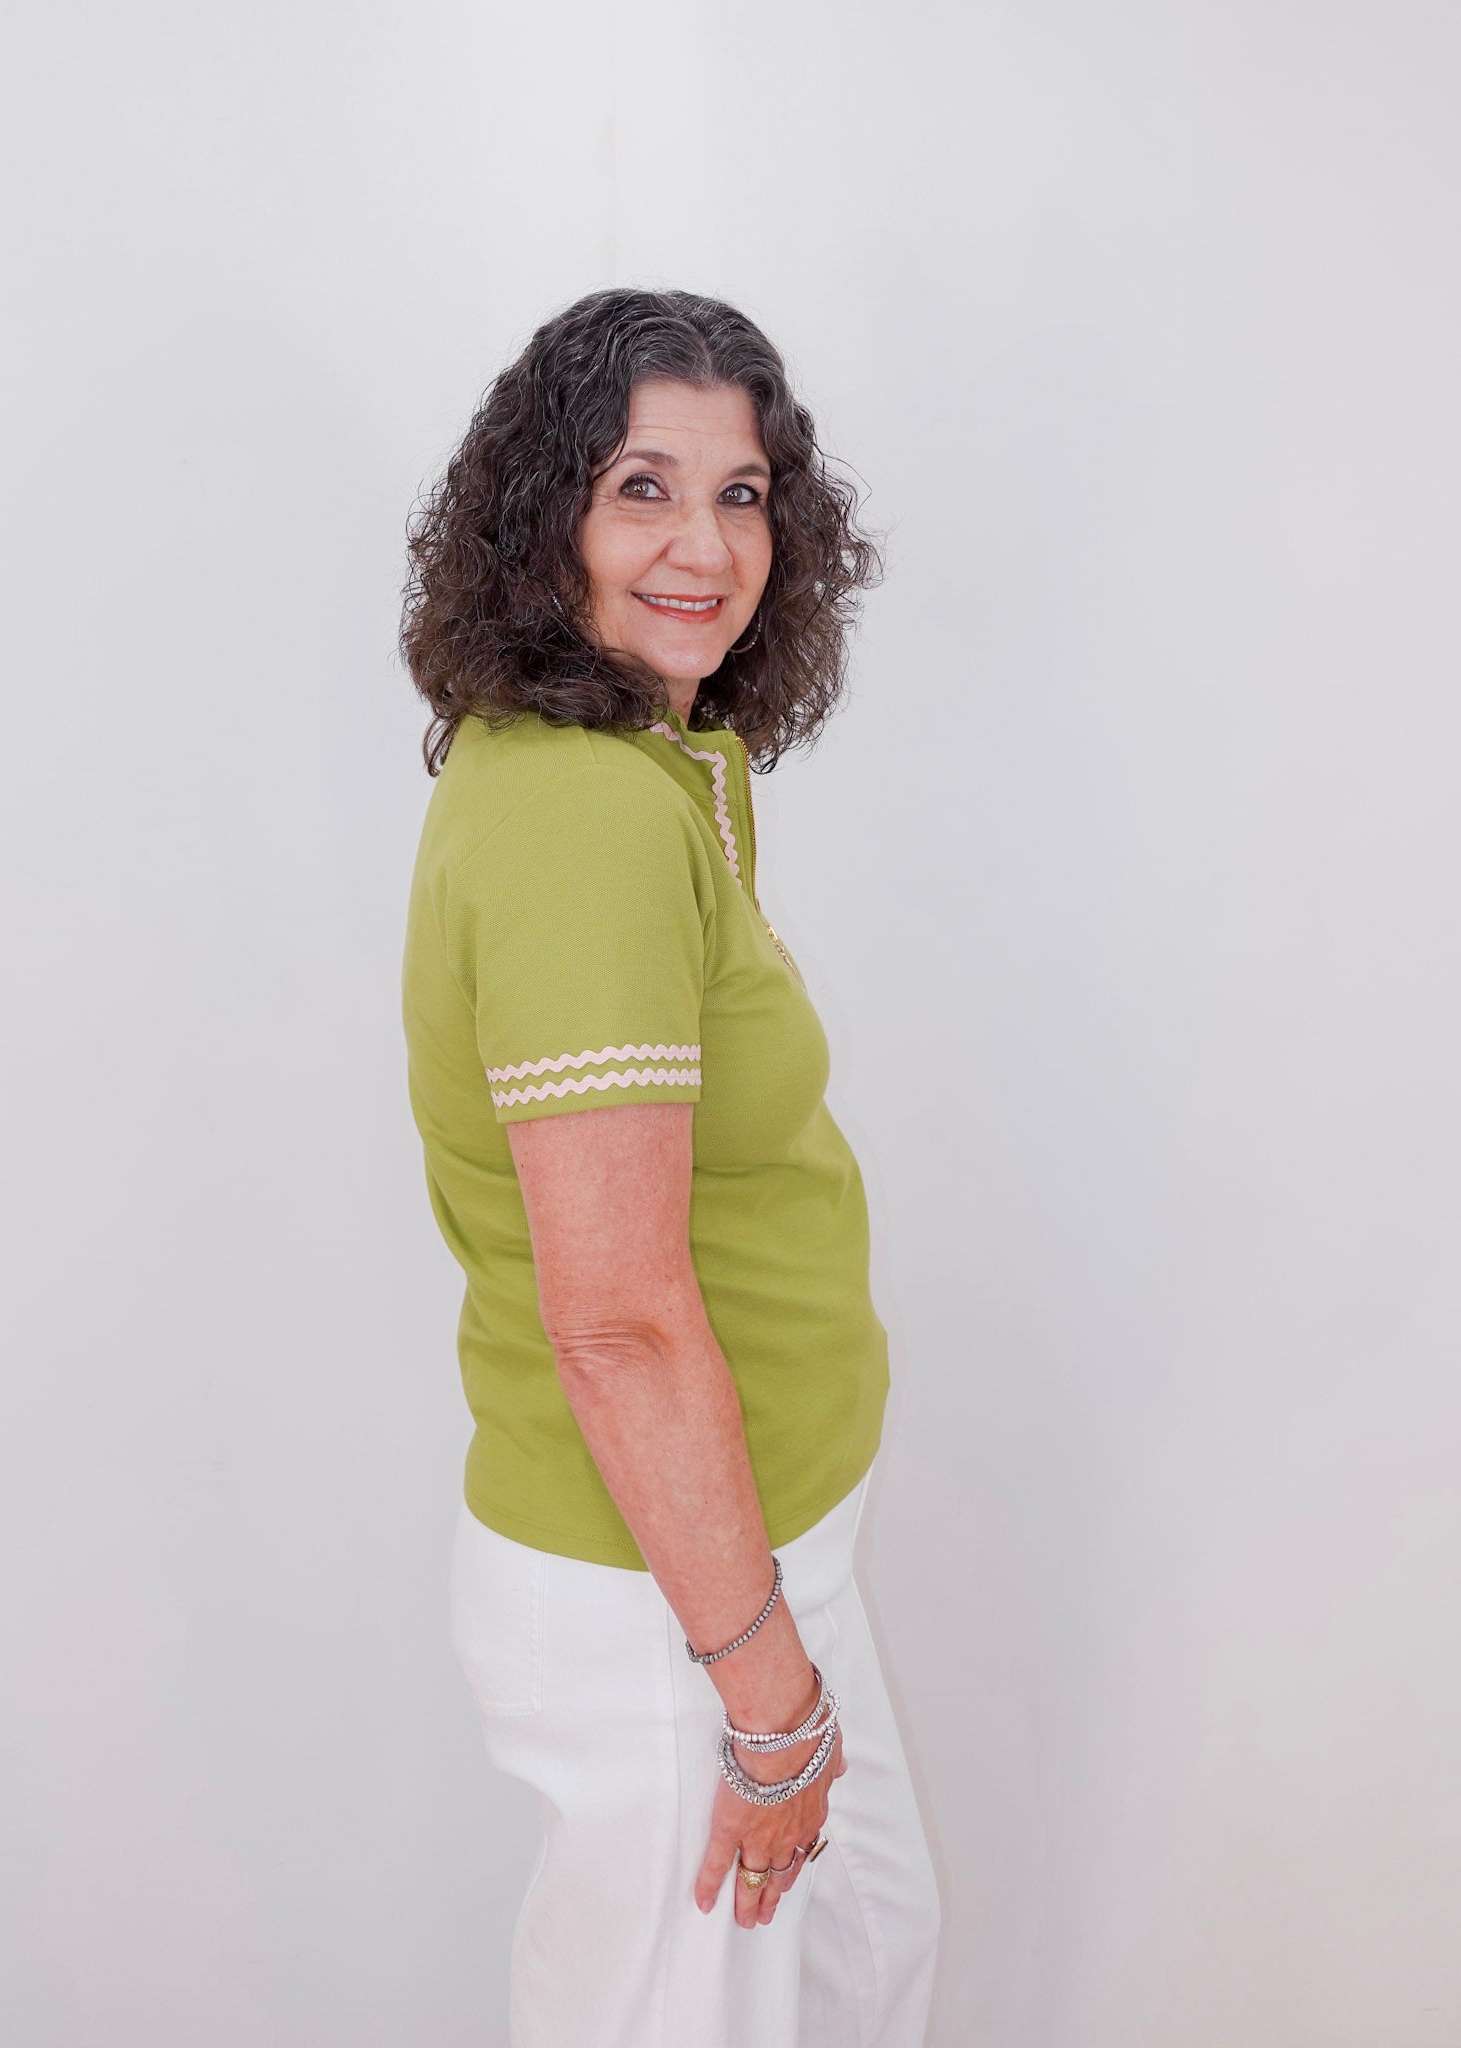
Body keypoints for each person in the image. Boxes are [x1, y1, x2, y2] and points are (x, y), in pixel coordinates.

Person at [399, 286, 940, 2046]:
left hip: (753, 1558)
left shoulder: (649, 755)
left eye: (743, 492)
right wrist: (760, 1694)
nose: (704, 546)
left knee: (868, 1968)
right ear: (540, 513)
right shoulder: (579, 818)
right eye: (641, 486)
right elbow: (618, 1316)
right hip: (671, 1603)